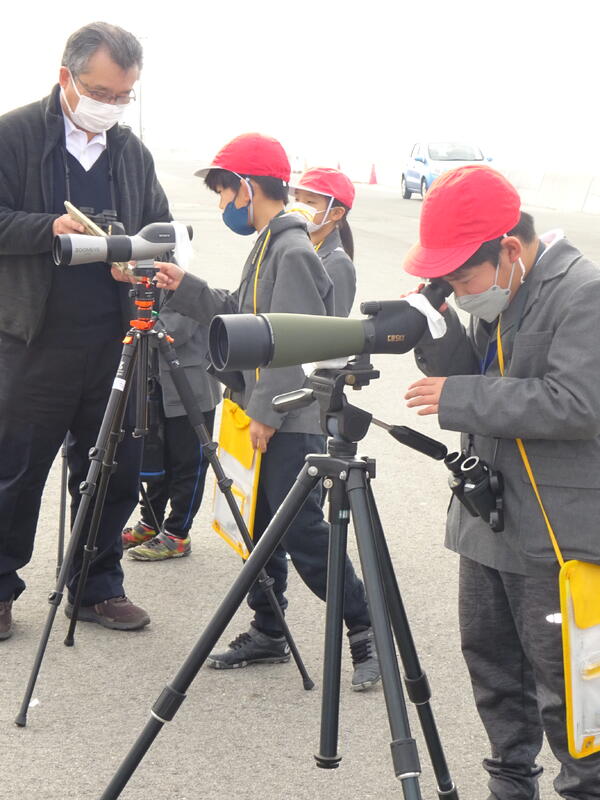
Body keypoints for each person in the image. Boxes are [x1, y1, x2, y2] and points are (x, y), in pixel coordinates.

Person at [402, 164, 600, 799]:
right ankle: (510, 784)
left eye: (464, 279)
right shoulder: (501, 291)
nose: (462, 293)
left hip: (555, 534)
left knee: (569, 688)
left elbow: (577, 403)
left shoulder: (583, 292)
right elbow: (484, 374)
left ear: (510, 249)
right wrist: (434, 330)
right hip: (489, 520)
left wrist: (457, 395)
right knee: (493, 672)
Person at [155, 132, 380, 690]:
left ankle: (365, 628)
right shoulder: (268, 244)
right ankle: (269, 629)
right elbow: (242, 315)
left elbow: (289, 342)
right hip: (259, 410)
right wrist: (187, 287)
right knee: (255, 526)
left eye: (224, 192)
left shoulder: (293, 251)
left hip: (287, 417)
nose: (222, 204)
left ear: (248, 187)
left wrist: (268, 412)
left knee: (301, 531)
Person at [0, 22, 172, 640]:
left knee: (113, 469)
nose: (112, 105)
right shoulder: (14, 135)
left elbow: (160, 227)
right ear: (66, 78)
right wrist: (48, 227)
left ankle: (96, 586)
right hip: (32, 340)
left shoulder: (131, 153)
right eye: (101, 92)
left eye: (124, 95)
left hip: (115, 341)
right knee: (15, 471)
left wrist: (144, 259)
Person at [121, 302, 221, 560]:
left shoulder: (185, 290)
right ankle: (150, 523)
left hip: (191, 392)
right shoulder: (150, 290)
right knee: (157, 462)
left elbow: (170, 332)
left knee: (188, 466)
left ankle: (177, 534)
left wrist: (132, 315)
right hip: (158, 389)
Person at [289, 166, 356, 316]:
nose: (299, 206)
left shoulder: (338, 263)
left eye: (310, 202)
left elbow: (334, 325)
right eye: (297, 199)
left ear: (336, 213)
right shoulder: (296, 245)